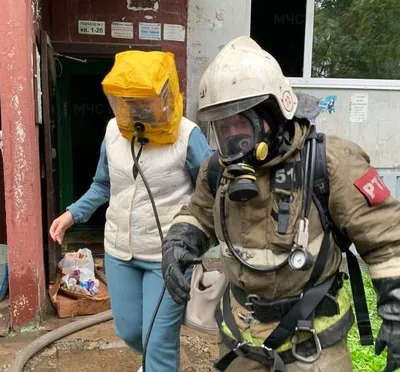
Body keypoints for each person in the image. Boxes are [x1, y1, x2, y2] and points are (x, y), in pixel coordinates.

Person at [160, 36, 400, 372]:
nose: (232, 139)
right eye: (222, 127)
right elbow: (199, 214)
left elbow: (387, 238)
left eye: (241, 123)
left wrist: (395, 309)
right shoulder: (217, 170)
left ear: (273, 113)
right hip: (241, 339)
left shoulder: (330, 162)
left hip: (315, 346)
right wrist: (180, 238)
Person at [49, 50, 212, 372]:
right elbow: (103, 185)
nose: (135, 110)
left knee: (159, 338)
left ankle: (158, 363)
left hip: (167, 256)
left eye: (143, 101)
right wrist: (72, 214)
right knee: (129, 330)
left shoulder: (188, 135)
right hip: (119, 251)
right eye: (126, 102)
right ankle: (154, 361)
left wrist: (199, 240)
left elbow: (209, 194)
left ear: (164, 98)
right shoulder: (113, 132)